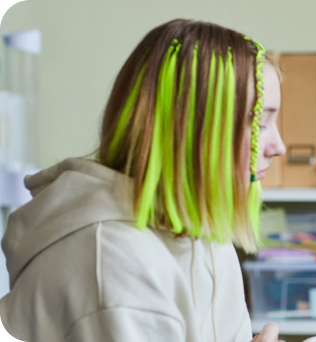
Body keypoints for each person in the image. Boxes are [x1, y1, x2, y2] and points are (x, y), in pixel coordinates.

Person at [0, 19, 288, 342]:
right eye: (260, 123)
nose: (279, 147)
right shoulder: (113, 266)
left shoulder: (210, 241)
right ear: (194, 132)